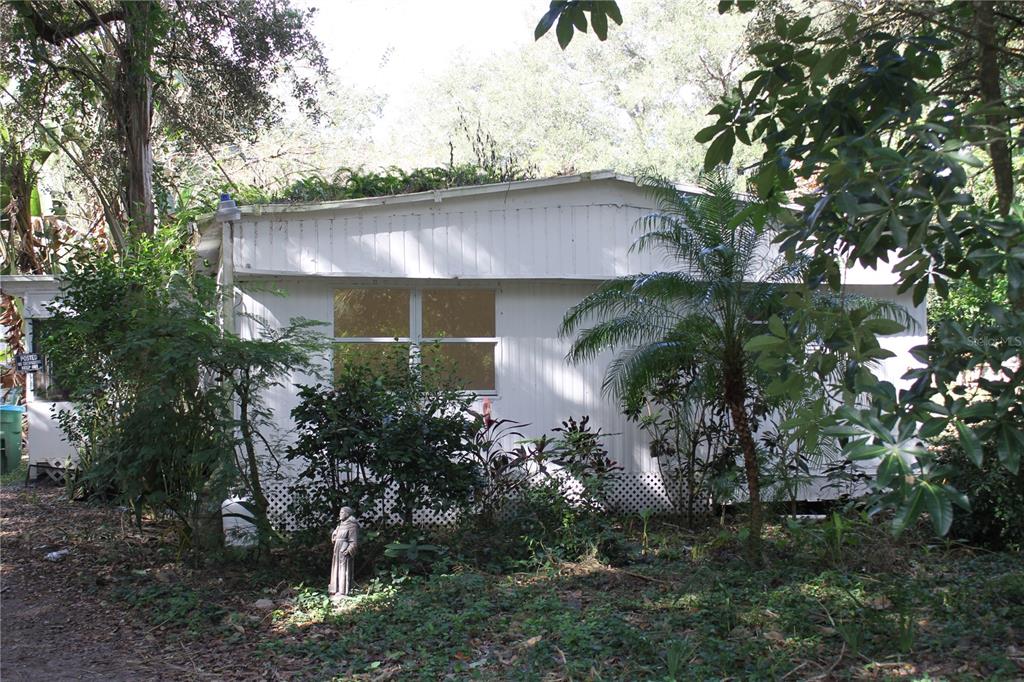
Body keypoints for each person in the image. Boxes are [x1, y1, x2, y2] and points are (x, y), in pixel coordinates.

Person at [329, 507, 359, 597]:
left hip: (344, 550)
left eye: (342, 512)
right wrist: (334, 534)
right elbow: (334, 539)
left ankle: (342, 591)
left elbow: (353, 541)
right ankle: (335, 589)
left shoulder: (352, 525)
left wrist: (349, 550)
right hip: (336, 550)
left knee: (343, 570)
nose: (340, 514)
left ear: (347, 514)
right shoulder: (340, 525)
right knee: (336, 568)